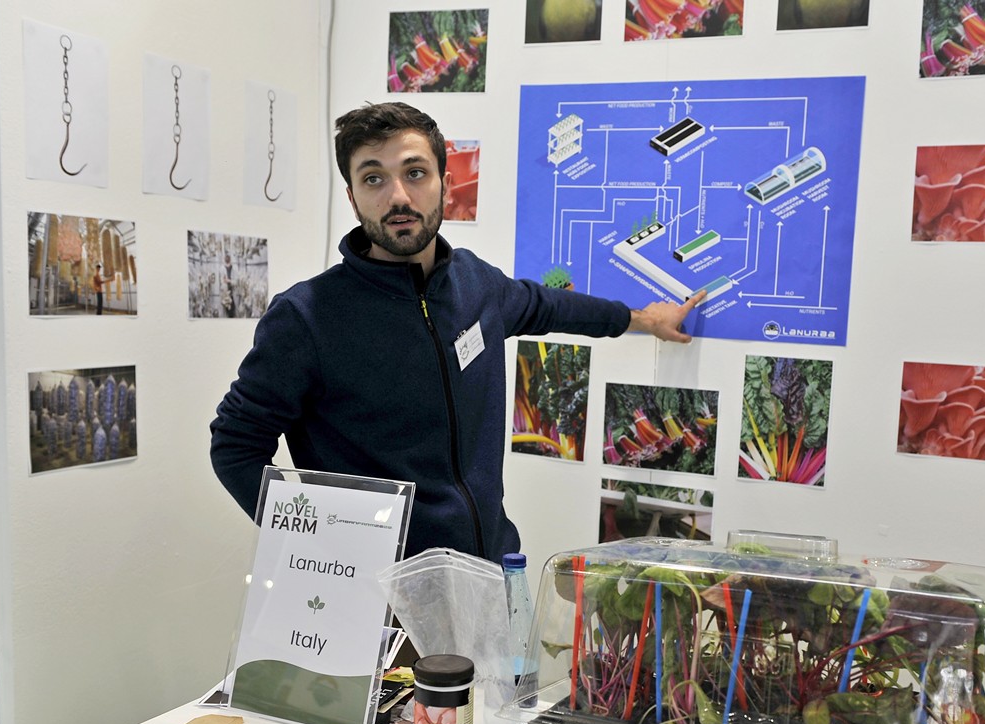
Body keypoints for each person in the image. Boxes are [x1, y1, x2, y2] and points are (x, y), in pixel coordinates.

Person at [210, 101, 703, 561]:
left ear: (445, 184)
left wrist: (644, 319)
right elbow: (235, 446)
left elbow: (550, 307)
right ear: (353, 198)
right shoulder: (307, 317)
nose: (398, 197)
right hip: (381, 595)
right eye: (373, 178)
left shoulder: (476, 284)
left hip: (488, 568)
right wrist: (322, 549)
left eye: (414, 173)